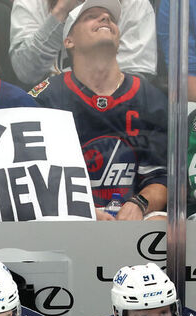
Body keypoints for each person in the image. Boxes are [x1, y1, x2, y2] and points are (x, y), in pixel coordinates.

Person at [28, 0, 167, 221]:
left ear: (119, 40)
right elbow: (31, 181)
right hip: (66, 224)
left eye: (110, 18)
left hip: (131, 227)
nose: (105, 19)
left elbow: (162, 176)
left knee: (162, 222)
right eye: (90, 16)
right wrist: (80, 211)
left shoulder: (150, 98)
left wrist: (140, 203)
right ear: (69, 41)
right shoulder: (45, 99)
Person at [9, 0, 157, 88]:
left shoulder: (135, 4)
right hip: (47, 110)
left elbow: (135, 83)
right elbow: (25, 73)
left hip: (113, 114)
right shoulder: (33, 3)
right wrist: (60, 12)